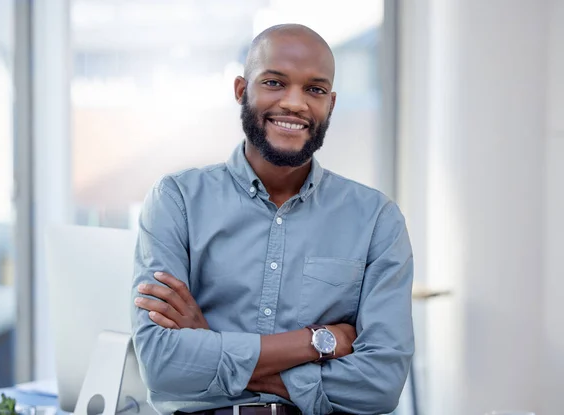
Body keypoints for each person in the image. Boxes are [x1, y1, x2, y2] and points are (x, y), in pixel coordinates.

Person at [131, 23, 414, 415]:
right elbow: (163, 367)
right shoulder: (176, 201)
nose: (295, 103)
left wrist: (209, 344)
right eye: (274, 82)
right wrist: (315, 343)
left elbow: (380, 385)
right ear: (241, 90)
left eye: (314, 89)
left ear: (330, 104)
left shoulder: (376, 220)